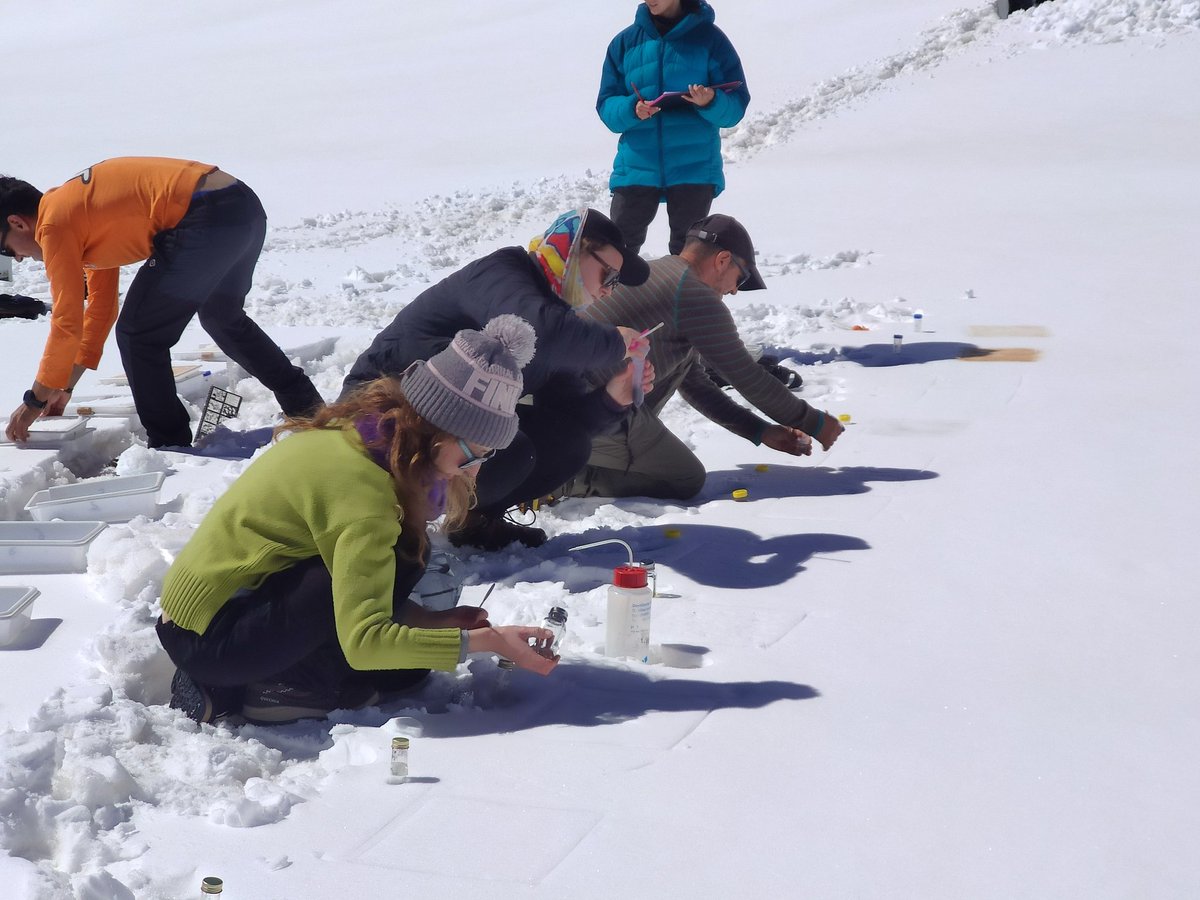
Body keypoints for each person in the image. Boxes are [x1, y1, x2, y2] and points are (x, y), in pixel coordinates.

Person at [158, 316, 559, 726]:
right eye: (472, 456)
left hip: (213, 615)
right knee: (401, 559)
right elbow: (364, 641)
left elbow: (360, 583)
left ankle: (258, 677)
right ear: (437, 434)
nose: (474, 472)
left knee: (408, 659)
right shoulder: (366, 495)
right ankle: (280, 685)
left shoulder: (366, 437)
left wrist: (427, 622)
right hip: (211, 637)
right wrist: (486, 642)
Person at [341, 208, 655, 551]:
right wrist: (616, 342)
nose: (609, 291)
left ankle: (473, 521)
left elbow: (567, 416)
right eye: (608, 276)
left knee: (567, 444)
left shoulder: (558, 319)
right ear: (574, 249)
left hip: (446, 427)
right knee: (510, 449)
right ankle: (393, 522)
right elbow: (540, 332)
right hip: (383, 411)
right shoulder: (502, 273)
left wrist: (612, 399)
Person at [1, 158, 323, 448]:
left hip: (203, 216)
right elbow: (99, 310)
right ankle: (307, 406)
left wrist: (34, 401)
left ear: (17, 223)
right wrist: (64, 386)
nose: (16, 258)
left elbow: (66, 321)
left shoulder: (54, 225)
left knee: (139, 334)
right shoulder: (74, 210)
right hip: (241, 208)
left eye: (5, 250)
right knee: (221, 316)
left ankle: (170, 445)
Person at [566, 214, 845, 501]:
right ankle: (561, 481)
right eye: (742, 277)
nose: (735, 289)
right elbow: (747, 376)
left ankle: (570, 459)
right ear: (723, 260)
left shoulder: (662, 274)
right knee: (684, 478)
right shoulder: (693, 295)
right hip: (584, 410)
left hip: (567, 402)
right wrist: (815, 423)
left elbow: (695, 384)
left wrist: (760, 431)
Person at [597, 0, 750, 256]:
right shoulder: (624, 43)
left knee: (688, 257)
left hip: (694, 166)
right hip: (636, 166)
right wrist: (631, 109)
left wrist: (711, 101)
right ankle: (614, 298)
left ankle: (683, 298)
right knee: (615, 253)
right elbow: (606, 106)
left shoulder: (711, 40)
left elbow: (735, 106)